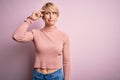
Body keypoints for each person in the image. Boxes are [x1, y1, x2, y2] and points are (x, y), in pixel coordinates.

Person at [12, 2, 70, 80]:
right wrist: (30, 19)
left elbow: (66, 61)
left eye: (54, 13)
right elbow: (16, 36)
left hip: (56, 76)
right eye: (47, 13)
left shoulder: (64, 36)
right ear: (42, 16)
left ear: (57, 15)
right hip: (38, 76)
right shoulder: (36, 33)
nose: (51, 16)